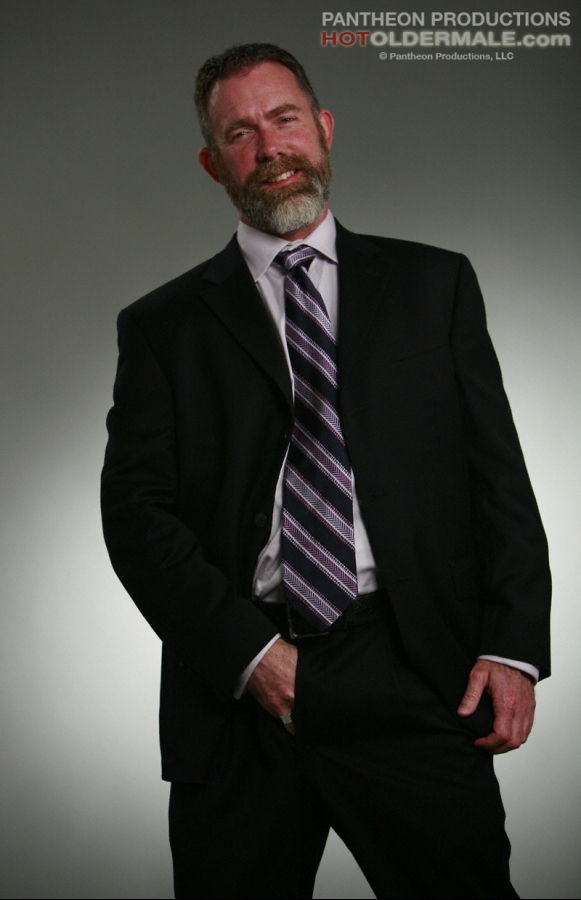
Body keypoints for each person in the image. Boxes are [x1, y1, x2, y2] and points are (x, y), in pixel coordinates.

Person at [101, 43, 551, 900]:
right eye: (240, 133)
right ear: (212, 163)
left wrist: (512, 646)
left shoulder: (434, 285)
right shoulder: (162, 327)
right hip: (239, 686)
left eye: (284, 119)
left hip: (413, 669)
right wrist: (251, 656)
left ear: (324, 127)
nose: (270, 147)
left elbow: (496, 475)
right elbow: (134, 516)